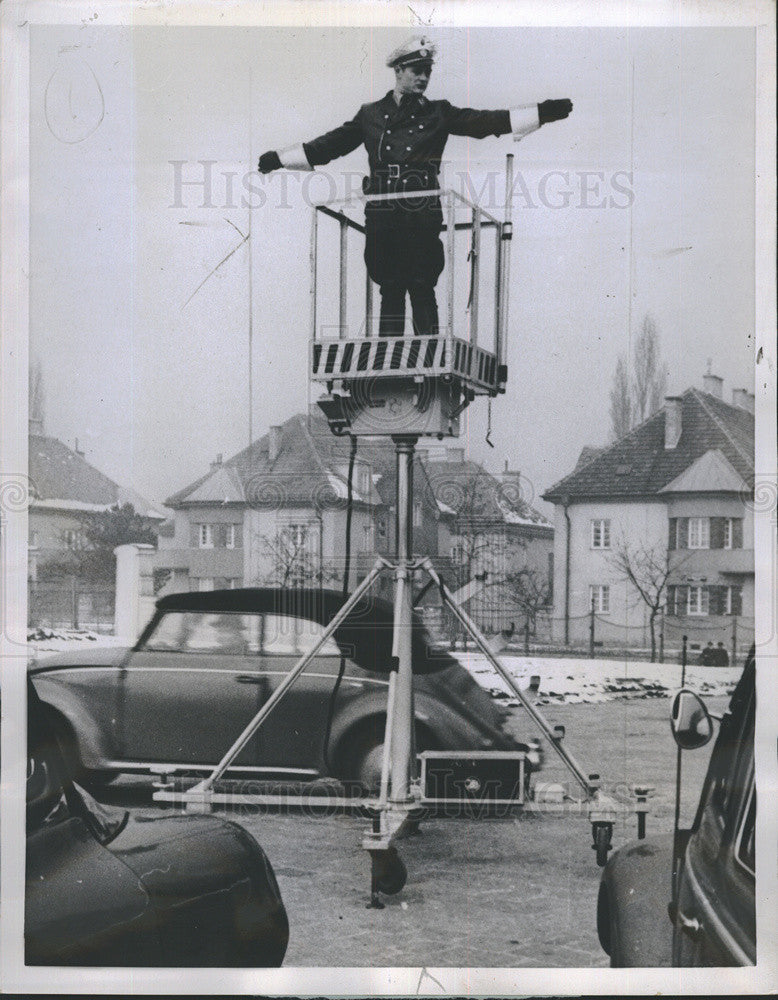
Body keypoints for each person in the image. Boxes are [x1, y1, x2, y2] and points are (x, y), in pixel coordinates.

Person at [258, 35, 572, 337]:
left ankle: (428, 353)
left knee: (422, 284)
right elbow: (330, 145)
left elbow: (484, 122)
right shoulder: (370, 115)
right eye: (417, 71)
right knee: (390, 286)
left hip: (421, 212)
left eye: (427, 72)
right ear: (398, 71)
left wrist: (539, 113)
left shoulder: (438, 113)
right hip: (383, 212)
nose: (423, 78)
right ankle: (390, 358)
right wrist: (280, 158)